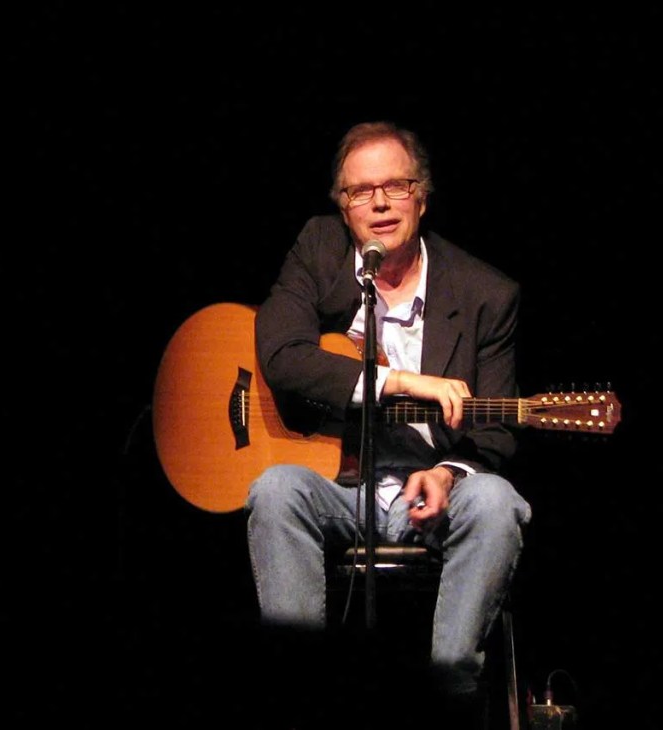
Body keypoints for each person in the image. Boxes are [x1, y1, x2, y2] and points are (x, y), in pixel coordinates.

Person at [245, 120, 532, 729]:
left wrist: (450, 472)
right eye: (359, 192)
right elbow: (281, 354)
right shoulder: (318, 249)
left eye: (395, 187)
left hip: (424, 495)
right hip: (339, 489)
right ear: (342, 207)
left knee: (496, 499)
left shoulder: (486, 293)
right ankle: (300, 691)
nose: (378, 203)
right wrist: (398, 381)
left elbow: (499, 431)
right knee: (274, 490)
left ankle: (449, 694)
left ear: (422, 197)